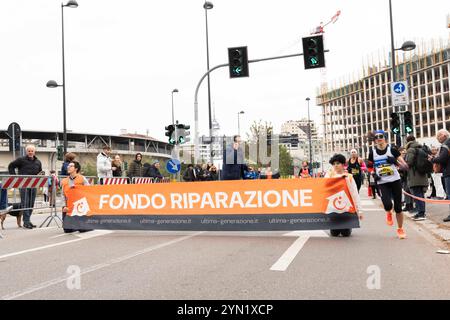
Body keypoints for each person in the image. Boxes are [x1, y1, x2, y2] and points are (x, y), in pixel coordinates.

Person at [368, 130, 408, 239]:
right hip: (382, 182)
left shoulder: (392, 150)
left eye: (381, 136)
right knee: (387, 205)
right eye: (376, 137)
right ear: (374, 140)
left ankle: (400, 229)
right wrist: (373, 174)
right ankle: (389, 212)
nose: (379, 138)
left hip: (395, 180)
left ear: (385, 137)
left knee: (398, 207)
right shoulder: (372, 153)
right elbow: (370, 166)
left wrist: (395, 162)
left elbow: (405, 167)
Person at [324, 153, 362, 237]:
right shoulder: (329, 175)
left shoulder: (348, 177)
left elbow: (355, 194)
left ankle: (348, 227)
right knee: (334, 234)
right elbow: (323, 186)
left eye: (338, 163)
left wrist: (359, 210)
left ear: (343, 164)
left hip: (346, 208)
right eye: (334, 164)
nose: (335, 166)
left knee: (345, 233)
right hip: (333, 208)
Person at [8, 145, 43, 229]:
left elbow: (40, 171)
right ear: (26, 152)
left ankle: (28, 220)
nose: (30, 152)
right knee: (25, 202)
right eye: (29, 151)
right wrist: (15, 177)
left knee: (31, 203)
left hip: (34, 185)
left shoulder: (38, 161)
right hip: (23, 185)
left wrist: (40, 178)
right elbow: (11, 166)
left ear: (34, 152)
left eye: (32, 151)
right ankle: (26, 222)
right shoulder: (21, 160)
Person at [61, 161, 91, 233]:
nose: (68, 167)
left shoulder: (82, 178)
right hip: (69, 207)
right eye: (68, 166)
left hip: (80, 206)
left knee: (82, 230)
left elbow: (89, 191)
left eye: (71, 166)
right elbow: (62, 195)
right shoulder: (64, 180)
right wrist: (63, 206)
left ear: (76, 169)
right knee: (67, 230)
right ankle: (74, 225)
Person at [405, 136, 429, 221]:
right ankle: (421, 212)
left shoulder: (410, 150)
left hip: (415, 175)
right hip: (422, 175)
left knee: (417, 195)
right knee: (421, 195)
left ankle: (421, 213)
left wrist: (403, 164)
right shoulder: (421, 148)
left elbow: (409, 162)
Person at [430, 129, 450, 222]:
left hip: (448, 172)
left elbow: (442, 159)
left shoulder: (446, 145)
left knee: (449, 194)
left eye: (438, 136)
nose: (437, 138)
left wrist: (433, 159)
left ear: (444, 135)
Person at [398, 147, 415, 213]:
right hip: (403, 177)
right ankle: (408, 205)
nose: (404, 154)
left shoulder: (406, 158)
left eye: (405, 153)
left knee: (409, 191)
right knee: (406, 192)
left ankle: (411, 205)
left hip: (407, 176)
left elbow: (406, 167)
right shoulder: (399, 159)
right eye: (402, 153)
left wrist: (400, 169)